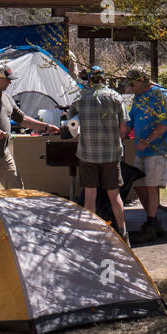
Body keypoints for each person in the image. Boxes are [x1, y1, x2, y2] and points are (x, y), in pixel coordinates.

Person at [0, 61, 58, 194]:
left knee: (17, 190)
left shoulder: (7, 98)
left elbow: (22, 119)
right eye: (7, 80)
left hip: (3, 154)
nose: (10, 83)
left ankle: (16, 215)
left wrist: (46, 127)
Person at [65, 65, 129, 242]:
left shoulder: (81, 98)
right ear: (104, 79)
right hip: (111, 154)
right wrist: (118, 142)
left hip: (87, 154)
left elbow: (71, 125)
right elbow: (124, 126)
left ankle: (89, 235)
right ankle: (123, 233)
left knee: (90, 195)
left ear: (90, 80)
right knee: (114, 195)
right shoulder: (115, 97)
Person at [125, 68, 167, 243]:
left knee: (151, 186)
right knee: (138, 184)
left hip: (157, 149)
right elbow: (129, 122)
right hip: (142, 150)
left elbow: (164, 123)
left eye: (133, 83)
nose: (132, 88)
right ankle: (153, 220)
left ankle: (151, 224)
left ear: (143, 79)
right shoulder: (138, 97)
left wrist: (147, 140)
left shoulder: (161, 94)